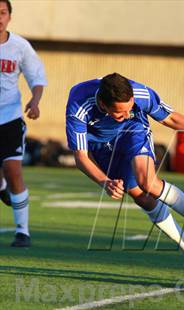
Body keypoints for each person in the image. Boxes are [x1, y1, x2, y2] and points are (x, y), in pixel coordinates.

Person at [66, 72, 184, 283]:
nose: (126, 113)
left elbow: (169, 117)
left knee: (148, 183)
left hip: (134, 130)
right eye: (119, 113)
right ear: (103, 105)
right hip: (100, 145)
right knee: (141, 196)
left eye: (129, 108)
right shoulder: (79, 105)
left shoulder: (140, 94)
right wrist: (104, 181)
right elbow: (80, 156)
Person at [0, 0, 47, 247]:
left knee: (13, 170)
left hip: (9, 119)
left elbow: (36, 76)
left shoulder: (19, 46)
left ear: (9, 16)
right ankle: (2, 188)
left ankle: (23, 232)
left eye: (2, 13)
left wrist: (35, 101)